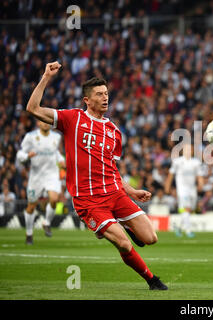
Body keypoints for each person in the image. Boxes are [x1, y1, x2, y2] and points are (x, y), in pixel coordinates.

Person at [25, 61, 168, 290]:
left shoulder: (114, 131)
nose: (105, 97)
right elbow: (33, 108)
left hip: (115, 193)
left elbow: (113, 169)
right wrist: (46, 77)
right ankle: (152, 280)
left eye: (107, 93)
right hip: (88, 200)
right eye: (99, 94)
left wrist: (131, 191)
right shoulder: (72, 119)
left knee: (151, 238)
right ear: (87, 100)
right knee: (122, 243)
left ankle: (120, 227)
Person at [16, 120, 65, 244]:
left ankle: (47, 223)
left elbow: (56, 153)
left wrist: (61, 160)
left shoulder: (56, 137)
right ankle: (29, 233)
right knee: (31, 206)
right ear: (38, 123)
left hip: (51, 174)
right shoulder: (30, 137)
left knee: (54, 199)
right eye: (42, 122)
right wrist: (27, 156)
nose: (45, 124)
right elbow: (20, 153)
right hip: (36, 176)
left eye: (48, 122)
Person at [164, 143, 204, 237]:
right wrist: (167, 186)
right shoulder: (177, 161)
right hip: (182, 189)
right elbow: (170, 174)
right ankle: (188, 230)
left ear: (193, 151)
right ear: (183, 151)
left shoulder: (196, 162)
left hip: (192, 188)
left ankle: (178, 227)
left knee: (190, 209)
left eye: (190, 149)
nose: (188, 151)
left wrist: (201, 184)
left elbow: (199, 175)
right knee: (186, 207)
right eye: (186, 149)